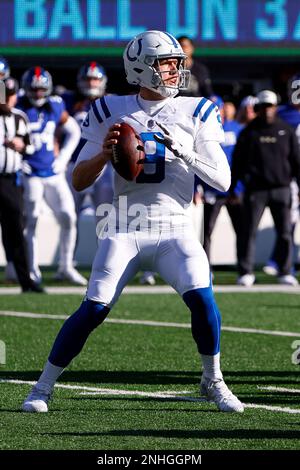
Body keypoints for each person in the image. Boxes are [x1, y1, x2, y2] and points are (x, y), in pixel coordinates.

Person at [22, 30, 243, 413]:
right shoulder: (110, 108)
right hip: (125, 225)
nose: (176, 70)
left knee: (204, 302)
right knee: (93, 308)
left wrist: (186, 153)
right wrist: (103, 155)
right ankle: (41, 388)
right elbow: (78, 180)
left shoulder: (198, 110)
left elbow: (222, 180)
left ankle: (213, 380)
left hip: (175, 226)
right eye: (167, 63)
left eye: (177, 63)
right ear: (141, 68)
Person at [17, 66, 87, 286]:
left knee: (68, 216)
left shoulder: (56, 105)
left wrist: (63, 157)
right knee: (32, 220)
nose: (38, 93)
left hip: (53, 172)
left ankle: (66, 266)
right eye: (34, 89)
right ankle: (32, 269)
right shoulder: (16, 106)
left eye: (41, 89)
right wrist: (19, 162)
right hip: (31, 175)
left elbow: (74, 130)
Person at [230, 90, 300, 287]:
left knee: (285, 232)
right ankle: (245, 272)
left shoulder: (285, 130)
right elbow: (238, 163)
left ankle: (285, 271)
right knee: (248, 231)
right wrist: (233, 188)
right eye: (263, 106)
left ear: (275, 107)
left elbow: (296, 161)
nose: (267, 110)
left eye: (270, 106)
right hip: (255, 190)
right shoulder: (248, 132)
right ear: (258, 108)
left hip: (282, 188)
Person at [0, 77, 44, 293]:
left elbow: (30, 147)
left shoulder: (20, 117)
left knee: (16, 229)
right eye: (4, 94)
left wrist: (20, 146)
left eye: (11, 94)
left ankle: (26, 280)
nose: (8, 98)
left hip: (10, 180)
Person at [201, 95, 244, 266]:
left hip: (233, 188)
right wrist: (198, 187)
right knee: (207, 232)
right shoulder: (202, 131)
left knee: (241, 230)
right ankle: (205, 268)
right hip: (212, 188)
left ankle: (244, 268)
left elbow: (243, 161)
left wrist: (239, 188)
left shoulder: (236, 128)